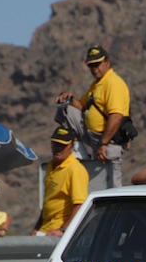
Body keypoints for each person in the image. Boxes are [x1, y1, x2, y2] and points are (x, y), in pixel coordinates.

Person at [54, 45, 130, 187]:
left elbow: (116, 116)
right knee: (66, 108)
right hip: (93, 137)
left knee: (111, 184)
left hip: (109, 140)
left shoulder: (113, 83)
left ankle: (116, 208)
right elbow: (81, 107)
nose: (94, 68)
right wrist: (69, 98)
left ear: (107, 62)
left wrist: (104, 143)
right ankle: (77, 151)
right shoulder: (96, 85)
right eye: (91, 65)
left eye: (98, 64)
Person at [31, 126, 90, 236]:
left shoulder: (75, 169)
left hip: (58, 232)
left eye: (63, 145)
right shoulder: (50, 166)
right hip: (45, 230)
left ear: (71, 146)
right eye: (55, 144)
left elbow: (80, 205)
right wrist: (36, 228)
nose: (58, 148)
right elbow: (48, 203)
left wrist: (62, 231)